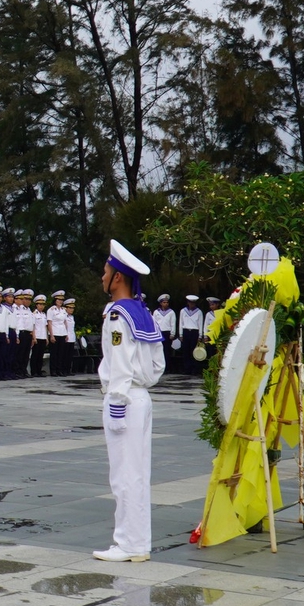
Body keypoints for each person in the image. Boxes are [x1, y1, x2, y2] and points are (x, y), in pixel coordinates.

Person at [96, 239, 165, 563]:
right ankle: (136, 542)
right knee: (137, 474)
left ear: (118, 278)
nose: (102, 277)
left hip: (123, 399)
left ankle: (129, 544)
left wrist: (117, 402)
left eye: (106, 272)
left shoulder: (117, 315)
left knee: (124, 476)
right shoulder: (142, 312)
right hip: (141, 396)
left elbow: (121, 362)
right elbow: (157, 365)